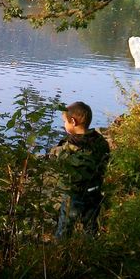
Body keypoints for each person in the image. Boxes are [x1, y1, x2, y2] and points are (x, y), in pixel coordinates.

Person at [50, 101, 110, 239]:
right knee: (90, 225)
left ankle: (60, 252)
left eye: (65, 121)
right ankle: (90, 250)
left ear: (73, 121)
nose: (64, 125)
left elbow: (57, 161)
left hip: (74, 194)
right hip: (95, 190)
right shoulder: (100, 141)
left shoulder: (69, 146)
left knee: (65, 227)